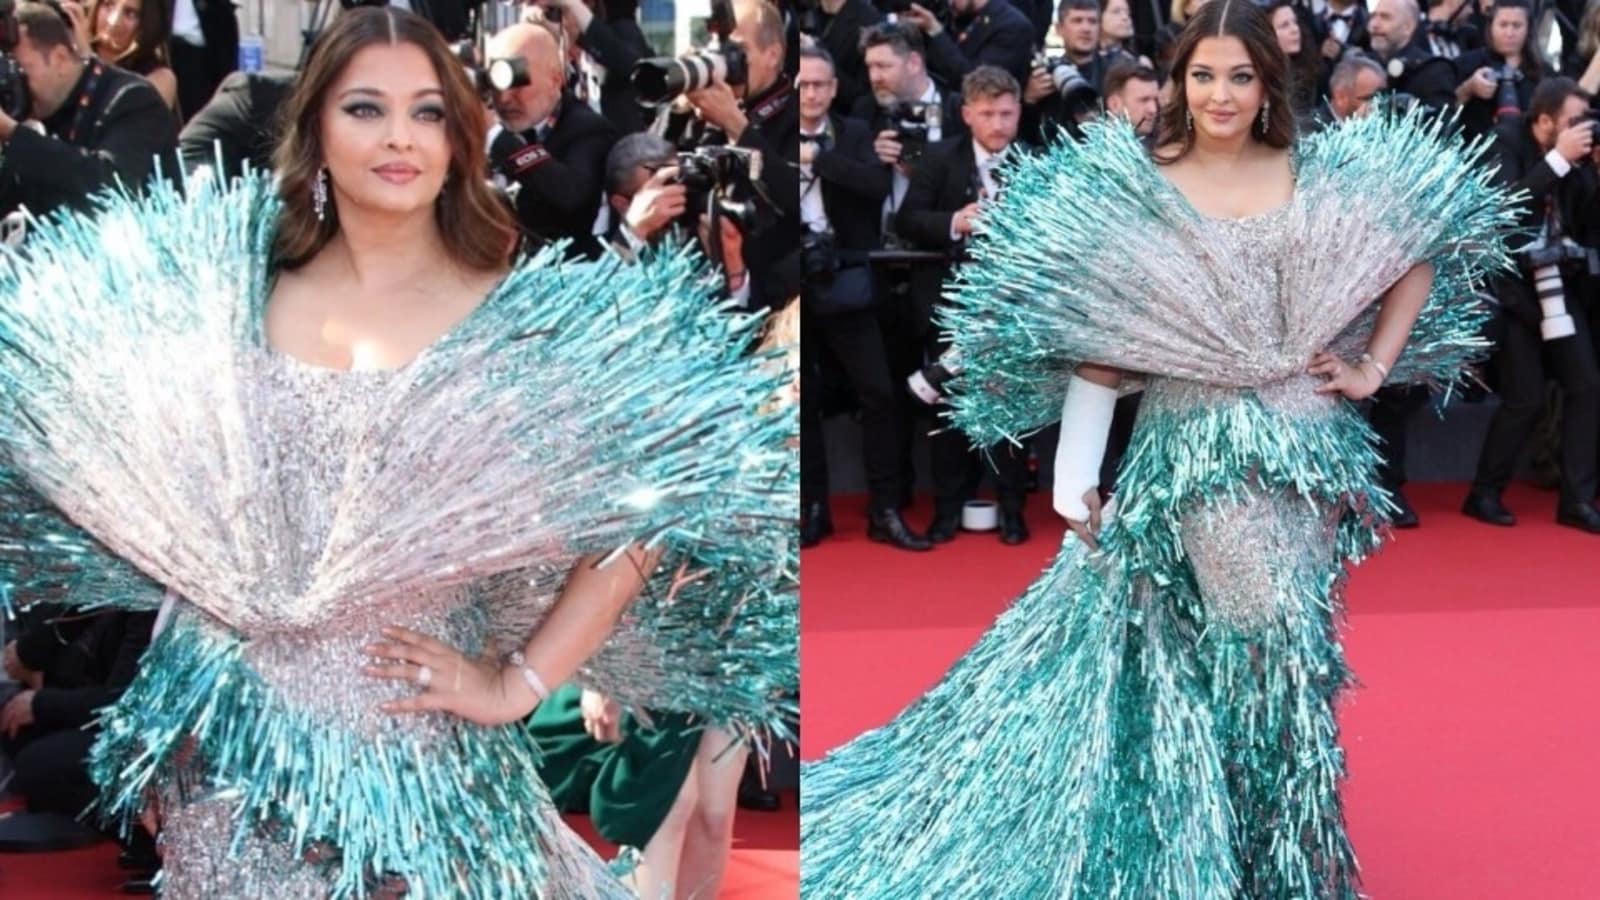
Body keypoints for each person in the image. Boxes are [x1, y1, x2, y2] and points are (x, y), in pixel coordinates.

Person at [0, 7, 794, 897]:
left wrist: (516, 684)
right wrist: (169, 701)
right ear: (315, 129)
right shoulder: (229, 295)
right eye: (365, 109)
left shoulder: (511, 315)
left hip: (423, 765)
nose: (399, 138)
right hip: (231, 768)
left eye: (427, 112)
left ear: (460, 136)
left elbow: (651, 501)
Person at [800, 1, 1515, 895]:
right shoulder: (1146, 184)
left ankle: (1252, 839)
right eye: (1204, 75)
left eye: (1241, 76)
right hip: (1197, 461)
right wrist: (1071, 481)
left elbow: (1419, 247)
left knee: (1275, 648)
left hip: (1311, 452)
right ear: (1179, 82)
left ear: (1269, 84)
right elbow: (1105, 348)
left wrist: (1374, 364)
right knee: (1273, 650)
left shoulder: (1311, 171)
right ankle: (1276, 860)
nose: (1221, 94)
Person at [897, 66, 1036, 546]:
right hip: (950, 308)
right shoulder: (939, 159)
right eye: (987, 114)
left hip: (1015, 311)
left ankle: (1013, 508)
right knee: (948, 414)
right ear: (967, 114)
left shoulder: (1036, 162)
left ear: (1019, 111)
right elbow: (907, 219)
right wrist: (956, 220)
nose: (998, 123)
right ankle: (948, 510)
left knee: (1009, 412)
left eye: (1006, 113)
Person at [1462, 77, 1600, 532]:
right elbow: (1505, 211)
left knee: (1586, 385)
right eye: (1574, 122)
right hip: (1514, 291)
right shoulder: (1505, 141)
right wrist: (1559, 159)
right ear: (1544, 121)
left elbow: (1588, 226)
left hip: (1561, 282)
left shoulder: (1578, 159)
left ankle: (1577, 500)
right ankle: (1484, 492)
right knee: (1525, 397)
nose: (1584, 130)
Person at [0, 1, 177, 224]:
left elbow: (109, 187)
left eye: (20, 70)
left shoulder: (131, 100)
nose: (12, 83)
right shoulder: (30, 114)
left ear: (61, 59)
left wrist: (12, 133)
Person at [487, 21, 619, 260]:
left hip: (557, 278)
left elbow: (571, 196)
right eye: (496, 82)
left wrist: (496, 138)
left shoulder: (587, 129)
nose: (504, 98)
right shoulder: (482, 124)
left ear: (555, 80)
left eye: (518, 82)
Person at [1452, 0, 1543, 141]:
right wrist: (1469, 88)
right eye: (1503, 25)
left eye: (1517, 26)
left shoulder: (1540, 72)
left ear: (1528, 29)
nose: (1509, 33)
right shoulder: (1467, 63)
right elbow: (1442, 108)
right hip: (1472, 150)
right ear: (1491, 27)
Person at [74, 0, 178, 110]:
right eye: (108, 5)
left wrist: (88, 60)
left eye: (130, 14)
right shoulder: (72, 53)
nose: (113, 21)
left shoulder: (159, 77)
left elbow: (125, 119)